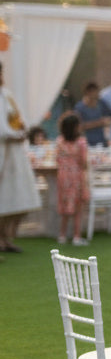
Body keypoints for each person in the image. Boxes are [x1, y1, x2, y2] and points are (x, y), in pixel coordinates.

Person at [0, 61, 42, 252]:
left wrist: (21, 130)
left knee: (20, 199)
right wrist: (13, 135)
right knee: (5, 198)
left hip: (15, 154)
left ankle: (6, 237)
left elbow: (16, 120)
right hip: (4, 152)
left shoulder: (6, 94)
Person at [55, 112, 90, 245]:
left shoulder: (59, 142)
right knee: (77, 207)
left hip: (63, 176)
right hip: (76, 177)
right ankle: (76, 236)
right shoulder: (81, 142)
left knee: (64, 206)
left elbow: (57, 159)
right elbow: (83, 161)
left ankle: (62, 235)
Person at [74, 82, 111, 147]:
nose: (97, 94)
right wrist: (98, 123)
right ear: (88, 92)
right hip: (87, 143)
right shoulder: (79, 108)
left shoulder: (101, 104)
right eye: (95, 92)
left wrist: (108, 122)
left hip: (101, 142)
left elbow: (110, 116)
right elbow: (78, 126)